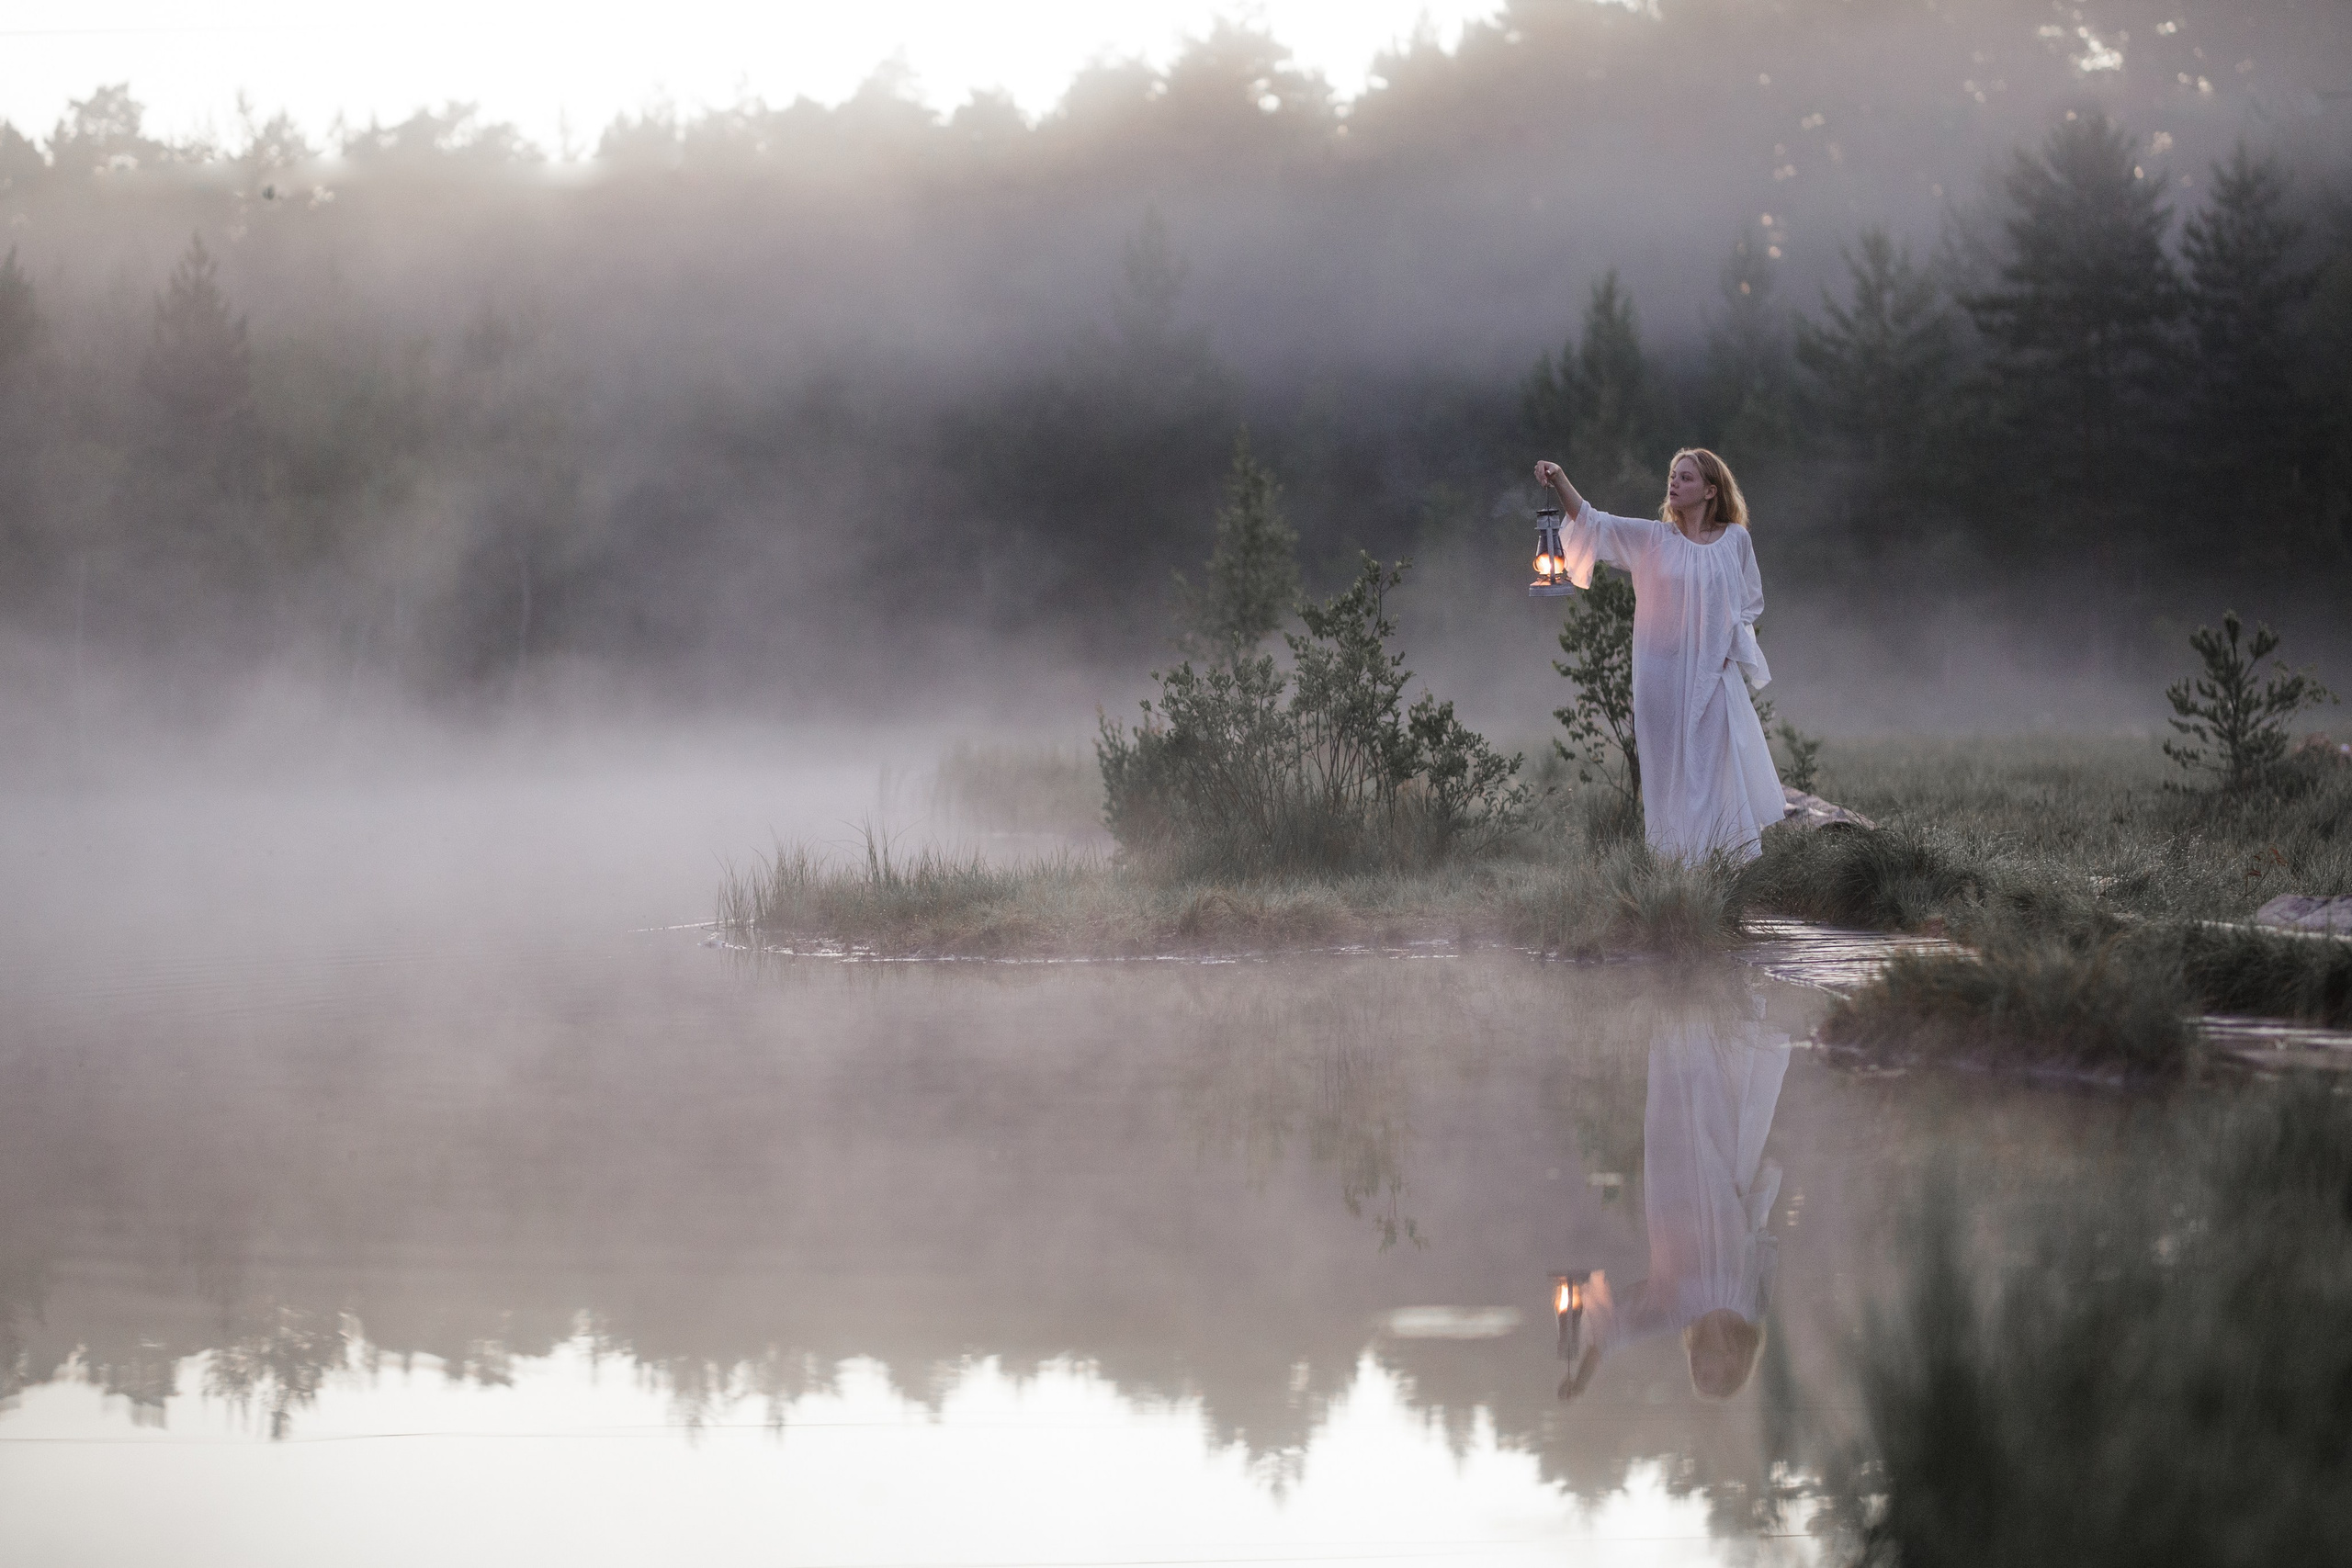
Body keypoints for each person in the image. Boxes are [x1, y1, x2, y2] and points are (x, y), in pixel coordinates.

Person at [1533, 449, 1783, 862]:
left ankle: (1719, 866)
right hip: (1660, 676)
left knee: (1713, 768)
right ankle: (1675, 867)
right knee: (1668, 774)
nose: (1674, 483)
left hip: (1712, 677)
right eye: (1672, 476)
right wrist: (1560, 479)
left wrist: (1727, 648)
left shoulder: (1735, 540)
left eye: (1686, 478)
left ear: (1710, 490)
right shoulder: (1652, 539)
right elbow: (1593, 521)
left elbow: (1749, 603)